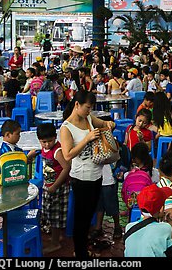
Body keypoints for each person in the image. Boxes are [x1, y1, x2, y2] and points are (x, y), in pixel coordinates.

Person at [59, 90, 116, 258]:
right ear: (77, 105)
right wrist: (87, 139)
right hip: (81, 178)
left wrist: (110, 124)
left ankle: (83, 248)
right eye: (87, 107)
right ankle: (80, 253)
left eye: (91, 108)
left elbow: (104, 124)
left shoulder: (88, 118)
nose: (89, 111)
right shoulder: (66, 128)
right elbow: (68, 154)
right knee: (81, 218)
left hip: (96, 175)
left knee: (89, 213)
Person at [34, 122, 70, 254]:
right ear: (39, 140)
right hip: (49, 186)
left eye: (50, 141)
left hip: (58, 187)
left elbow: (66, 168)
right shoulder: (44, 149)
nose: (47, 144)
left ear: (55, 137)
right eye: (44, 142)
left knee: (55, 215)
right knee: (50, 213)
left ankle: (55, 243)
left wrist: (55, 186)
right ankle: (57, 236)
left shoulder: (57, 151)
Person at [123, 184, 172, 257]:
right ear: (161, 209)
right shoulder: (165, 227)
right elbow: (170, 248)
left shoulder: (129, 227)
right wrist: (170, 224)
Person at [90, 162, 124, 242]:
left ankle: (117, 226)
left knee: (112, 204)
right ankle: (98, 227)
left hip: (109, 178)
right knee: (98, 204)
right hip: (95, 177)